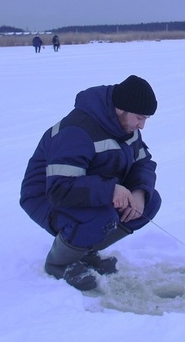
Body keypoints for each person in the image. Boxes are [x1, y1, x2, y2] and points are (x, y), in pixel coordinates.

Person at [20, 75, 162, 291]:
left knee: (148, 204)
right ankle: (59, 263)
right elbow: (59, 188)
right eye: (139, 118)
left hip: (88, 191)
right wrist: (111, 190)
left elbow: (143, 162)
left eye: (146, 119)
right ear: (120, 109)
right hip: (46, 198)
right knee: (101, 217)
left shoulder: (128, 129)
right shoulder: (77, 131)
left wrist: (139, 192)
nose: (141, 125)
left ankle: (84, 252)